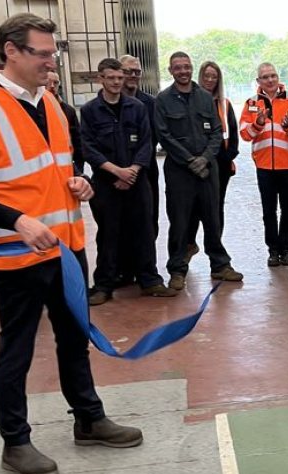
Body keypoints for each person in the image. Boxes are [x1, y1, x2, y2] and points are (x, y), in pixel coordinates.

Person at [0, 13, 142, 474]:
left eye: (52, 54)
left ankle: (89, 419)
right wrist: (17, 220)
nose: (50, 62)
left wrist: (77, 183)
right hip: (17, 254)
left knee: (74, 337)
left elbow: (55, 167)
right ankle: (15, 443)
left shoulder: (54, 105)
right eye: (43, 53)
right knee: (16, 347)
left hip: (67, 247)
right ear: (11, 51)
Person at [80, 57, 178, 305]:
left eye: (119, 78)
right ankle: (104, 285)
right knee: (108, 234)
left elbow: (146, 142)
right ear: (100, 78)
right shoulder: (90, 111)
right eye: (111, 77)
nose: (116, 82)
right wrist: (117, 172)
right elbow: (88, 148)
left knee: (144, 231)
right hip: (106, 183)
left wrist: (131, 171)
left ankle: (150, 280)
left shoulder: (137, 107)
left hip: (137, 180)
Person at [155, 52, 243, 289]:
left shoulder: (205, 97)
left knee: (212, 218)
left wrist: (204, 159)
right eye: (177, 68)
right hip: (179, 172)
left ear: (192, 69)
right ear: (170, 71)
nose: (183, 71)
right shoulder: (163, 100)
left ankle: (220, 265)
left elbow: (216, 131)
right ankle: (177, 269)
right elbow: (164, 135)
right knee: (180, 221)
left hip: (207, 170)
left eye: (186, 67)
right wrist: (189, 160)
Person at [239, 62, 288, 266]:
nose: (270, 80)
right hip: (264, 167)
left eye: (273, 76)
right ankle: (273, 250)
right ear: (258, 81)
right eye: (265, 77)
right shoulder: (251, 103)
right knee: (268, 211)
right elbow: (244, 134)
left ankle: (286, 249)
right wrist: (258, 123)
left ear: (278, 77)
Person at [186, 60, 240, 262]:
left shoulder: (224, 104)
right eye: (206, 76)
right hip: (196, 163)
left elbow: (232, 134)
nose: (210, 80)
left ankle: (216, 250)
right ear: (200, 77)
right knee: (193, 208)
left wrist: (227, 158)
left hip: (221, 165)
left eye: (214, 77)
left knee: (216, 208)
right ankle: (189, 245)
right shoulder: (191, 101)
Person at [119, 55, 160, 235]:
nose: (133, 75)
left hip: (146, 171)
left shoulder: (151, 103)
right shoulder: (108, 104)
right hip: (117, 172)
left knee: (149, 221)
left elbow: (155, 137)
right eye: (128, 71)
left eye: (137, 71)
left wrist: (137, 166)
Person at [45, 70, 84, 171]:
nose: (52, 86)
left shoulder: (68, 111)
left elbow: (78, 142)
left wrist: (79, 170)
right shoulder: (35, 109)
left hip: (67, 169)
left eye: (56, 82)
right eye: (48, 82)